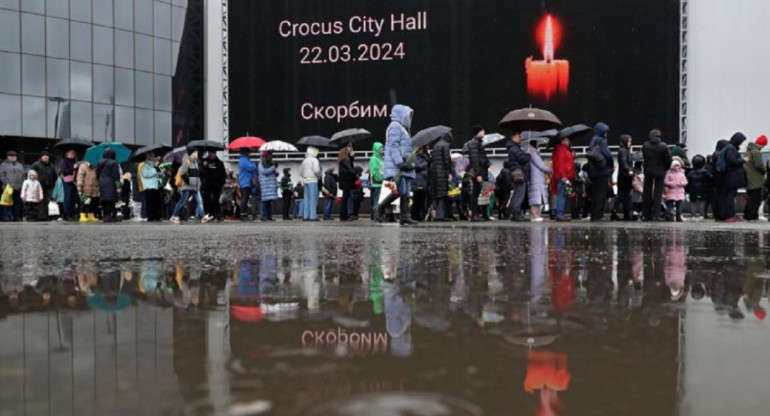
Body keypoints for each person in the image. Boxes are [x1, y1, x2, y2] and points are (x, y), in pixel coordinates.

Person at [382, 104, 418, 226]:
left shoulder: (402, 128)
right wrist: (400, 162)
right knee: (400, 191)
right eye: (407, 115)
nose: (409, 118)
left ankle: (404, 216)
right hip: (399, 166)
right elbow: (393, 146)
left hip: (404, 166)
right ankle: (379, 208)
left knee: (406, 192)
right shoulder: (395, 127)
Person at [170, 148, 212, 224]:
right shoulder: (186, 160)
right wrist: (189, 182)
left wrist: (197, 183)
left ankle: (202, 217)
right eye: (195, 152)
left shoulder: (196, 162)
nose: (197, 154)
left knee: (200, 202)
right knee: (182, 202)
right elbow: (183, 173)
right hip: (187, 186)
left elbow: (197, 174)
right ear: (191, 153)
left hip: (195, 187)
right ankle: (173, 216)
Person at [641, 129, 672, 221]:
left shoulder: (645, 145)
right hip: (660, 171)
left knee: (647, 192)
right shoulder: (663, 146)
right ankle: (656, 215)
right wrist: (665, 168)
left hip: (648, 170)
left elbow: (644, 157)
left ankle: (646, 214)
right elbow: (668, 159)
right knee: (658, 193)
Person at [586, 123, 614, 221]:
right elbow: (608, 155)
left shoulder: (593, 140)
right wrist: (611, 165)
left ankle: (594, 214)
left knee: (595, 194)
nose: (606, 133)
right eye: (605, 131)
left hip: (594, 171)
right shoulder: (602, 141)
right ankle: (598, 215)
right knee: (601, 194)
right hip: (602, 171)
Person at [465, 126, 490, 221]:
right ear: (478, 132)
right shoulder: (474, 143)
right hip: (479, 172)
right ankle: (475, 214)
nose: (484, 132)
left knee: (485, 192)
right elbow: (475, 160)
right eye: (482, 131)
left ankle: (484, 214)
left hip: (483, 170)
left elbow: (481, 158)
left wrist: (487, 162)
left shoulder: (479, 143)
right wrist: (478, 173)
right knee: (475, 193)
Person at [722, 132, 747, 222]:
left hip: (730, 176)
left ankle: (730, 214)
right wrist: (743, 160)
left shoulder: (729, 147)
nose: (741, 143)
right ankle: (730, 215)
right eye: (741, 141)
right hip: (732, 176)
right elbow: (732, 160)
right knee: (731, 196)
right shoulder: (731, 148)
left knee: (730, 195)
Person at [507, 132, 531, 222]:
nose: (520, 138)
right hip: (519, 173)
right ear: (513, 137)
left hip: (517, 172)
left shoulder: (513, 147)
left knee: (517, 192)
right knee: (519, 193)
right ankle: (516, 213)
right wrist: (528, 155)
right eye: (518, 136)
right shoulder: (515, 148)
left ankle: (514, 212)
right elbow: (523, 159)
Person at [527, 140, 552, 222]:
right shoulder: (533, 153)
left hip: (535, 177)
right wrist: (551, 170)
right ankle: (535, 216)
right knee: (536, 198)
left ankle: (535, 215)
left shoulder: (531, 152)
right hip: (536, 178)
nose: (539, 145)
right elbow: (541, 166)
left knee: (536, 197)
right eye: (538, 144)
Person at [551, 136, 575, 222]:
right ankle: (560, 214)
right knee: (562, 195)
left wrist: (573, 157)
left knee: (564, 194)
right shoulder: (561, 150)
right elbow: (560, 164)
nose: (569, 141)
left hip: (564, 177)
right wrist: (563, 175)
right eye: (567, 140)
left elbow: (564, 162)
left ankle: (560, 213)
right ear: (563, 140)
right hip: (563, 177)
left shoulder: (563, 150)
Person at [429, 134, 453, 221]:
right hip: (442, 172)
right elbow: (446, 160)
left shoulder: (436, 145)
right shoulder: (446, 145)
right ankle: (441, 215)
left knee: (438, 193)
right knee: (442, 194)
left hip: (435, 172)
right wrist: (449, 172)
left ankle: (440, 214)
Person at [743, 135, 766, 221]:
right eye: (764, 145)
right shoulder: (756, 152)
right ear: (762, 144)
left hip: (749, 178)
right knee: (756, 199)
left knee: (750, 198)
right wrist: (764, 170)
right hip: (756, 179)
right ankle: (752, 216)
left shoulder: (748, 151)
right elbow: (758, 165)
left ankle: (747, 215)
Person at [612, 135, 634, 221]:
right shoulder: (623, 151)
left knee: (625, 196)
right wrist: (629, 170)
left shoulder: (624, 150)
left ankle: (625, 213)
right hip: (624, 177)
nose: (630, 143)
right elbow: (624, 162)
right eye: (629, 141)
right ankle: (616, 212)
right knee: (622, 195)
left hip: (624, 176)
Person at [31, 150, 57, 221]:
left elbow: (55, 176)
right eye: (44, 155)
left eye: (47, 156)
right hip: (38, 186)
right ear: (41, 157)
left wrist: (52, 184)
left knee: (46, 201)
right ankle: (38, 216)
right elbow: (30, 174)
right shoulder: (36, 165)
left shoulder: (52, 166)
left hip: (48, 187)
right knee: (38, 201)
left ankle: (45, 216)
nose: (45, 157)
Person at [96, 148, 121, 222]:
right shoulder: (114, 162)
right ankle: (112, 215)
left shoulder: (99, 161)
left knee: (104, 199)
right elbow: (116, 175)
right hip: (111, 182)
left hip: (102, 182)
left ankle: (106, 215)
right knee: (112, 199)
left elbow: (97, 173)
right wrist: (118, 186)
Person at [201, 151, 227, 221]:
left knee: (215, 200)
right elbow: (201, 172)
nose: (210, 155)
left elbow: (223, 174)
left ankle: (218, 215)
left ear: (215, 154)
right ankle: (208, 214)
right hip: (207, 185)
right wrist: (204, 166)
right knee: (207, 200)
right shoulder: (204, 162)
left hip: (217, 185)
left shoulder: (219, 163)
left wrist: (221, 183)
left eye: (212, 154)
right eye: (209, 154)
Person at [0, 151, 25, 222]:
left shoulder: (20, 165)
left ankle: (16, 217)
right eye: (11, 156)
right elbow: (1, 175)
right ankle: (6, 217)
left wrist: (22, 183)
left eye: (14, 156)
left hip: (19, 187)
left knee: (17, 203)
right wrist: (8, 183)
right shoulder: (3, 165)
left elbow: (23, 175)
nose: (13, 157)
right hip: (8, 187)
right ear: (7, 156)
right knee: (6, 202)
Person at [300, 146, 322, 221]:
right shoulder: (315, 160)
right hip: (313, 180)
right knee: (313, 199)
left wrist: (305, 176)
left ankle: (306, 216)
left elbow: (300, 172)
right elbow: (316, 171)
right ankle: (313, 216)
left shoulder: (304, 160)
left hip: (305, 181)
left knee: (307, 199)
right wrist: (319, 175)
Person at [687, 155, 711, 220]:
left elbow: (687, 181)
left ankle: (693, 215)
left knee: (693, 203)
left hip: (692, 190)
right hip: (703, 189)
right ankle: (701, 215)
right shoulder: (705, 172)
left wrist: (687, 190)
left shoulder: (690, 173)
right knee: (702, 203)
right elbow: (710, 179)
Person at [140, 153, 162, 222]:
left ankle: (156, 216)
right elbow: (145, 174)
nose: (154, 157)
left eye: (153, 156)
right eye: (152, 156)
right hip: (149, 186)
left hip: (155, 186)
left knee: (156, 202)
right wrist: (155, 171)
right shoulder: (145, 165)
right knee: (150, 203)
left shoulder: (153, 166)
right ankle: (151, 217)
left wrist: (160, 172)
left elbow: (159, 174)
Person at [664, 158, 688, 222]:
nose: (677, 167)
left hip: (680, 191)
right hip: (671, 191)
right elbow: (665, 181)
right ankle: (670, 215)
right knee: (670, 204)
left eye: (678, 165)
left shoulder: (682, 174)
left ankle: (678, 215)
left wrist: (680, 183)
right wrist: (671, 184)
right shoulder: (669, 173)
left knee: (679, 205)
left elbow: (685, 182)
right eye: (675, 165)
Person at [59, 149, 80, 221]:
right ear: (66, 154)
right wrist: (73, 168)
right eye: (70, 153)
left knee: (75, 198)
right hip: (67, 181)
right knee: (68, 197)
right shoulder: (63, 161)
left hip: (75, 182)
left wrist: (77, 168)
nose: (72, 154)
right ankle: (67, 214)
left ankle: (73, 214)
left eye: (73, 153)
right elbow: (64, 171)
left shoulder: (76, 162)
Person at [258, 151, 278, 221]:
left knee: (269, 201)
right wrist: (273, 167)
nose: (271, 157)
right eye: (270, 155)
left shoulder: (270, 164)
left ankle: (269, 216)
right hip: (265, 185)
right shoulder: (261, 164)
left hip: (271, 185)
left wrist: (276, 171)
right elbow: (265, 172)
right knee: (264, 201)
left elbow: (273, 172)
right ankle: (263, 216)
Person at [411, 146, 430, 222]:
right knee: (417, 199)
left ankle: (419, 214)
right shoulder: (415, 156)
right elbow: (417, 165)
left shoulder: (424, 156)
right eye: (421, 149)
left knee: (422, 198)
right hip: (418, 180)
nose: (422, 151)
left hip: (423, 180)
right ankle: (415, 215)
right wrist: (425, 163)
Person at [338, 145, 357, 221]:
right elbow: (350, 169)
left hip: (344, 181)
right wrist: (356, 176)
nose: (351, 150)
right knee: (345, 198)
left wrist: (351, 158)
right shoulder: (346, 159)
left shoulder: (343, 159)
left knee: (345, 198)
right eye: (349, 148)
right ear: (346, 150)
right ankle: (343, 216)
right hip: (346, 181)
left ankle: (343, 215)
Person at [237, 149, 258, 220]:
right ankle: (242, 214)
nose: (250, 153)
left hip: (245, 182)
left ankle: (244, 214)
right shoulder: (244, 160)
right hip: (246, 182)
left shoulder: (243, 159)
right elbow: (252, 167)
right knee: (245, 199)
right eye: (249, 152)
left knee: (245, 199)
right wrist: (254, 164)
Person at [369, 143, 384, 220]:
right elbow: (374, 172)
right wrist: (381, 179)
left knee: (380, 200)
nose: (382, 149)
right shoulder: (374, 159)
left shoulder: (381, 158)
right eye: (380, 148)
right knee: (376, 200)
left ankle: (378, 215)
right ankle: (376, 216)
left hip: (381, 183)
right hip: (376, 183)